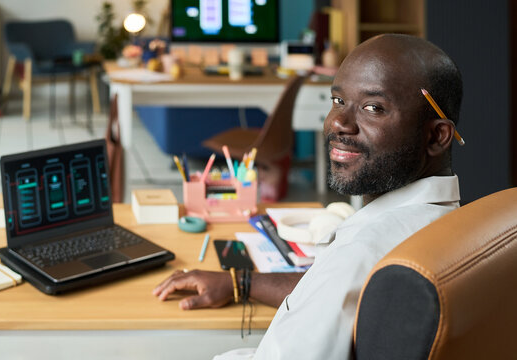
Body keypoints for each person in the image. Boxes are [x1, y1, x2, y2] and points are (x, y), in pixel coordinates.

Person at [153, 34, 463, 359]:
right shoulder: (450, 222)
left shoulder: (363, 253)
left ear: (436, 135)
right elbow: (341, 291)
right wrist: (242, 282)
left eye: (373, 108)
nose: (338, 123)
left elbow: (347, 275)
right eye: (338, 100)